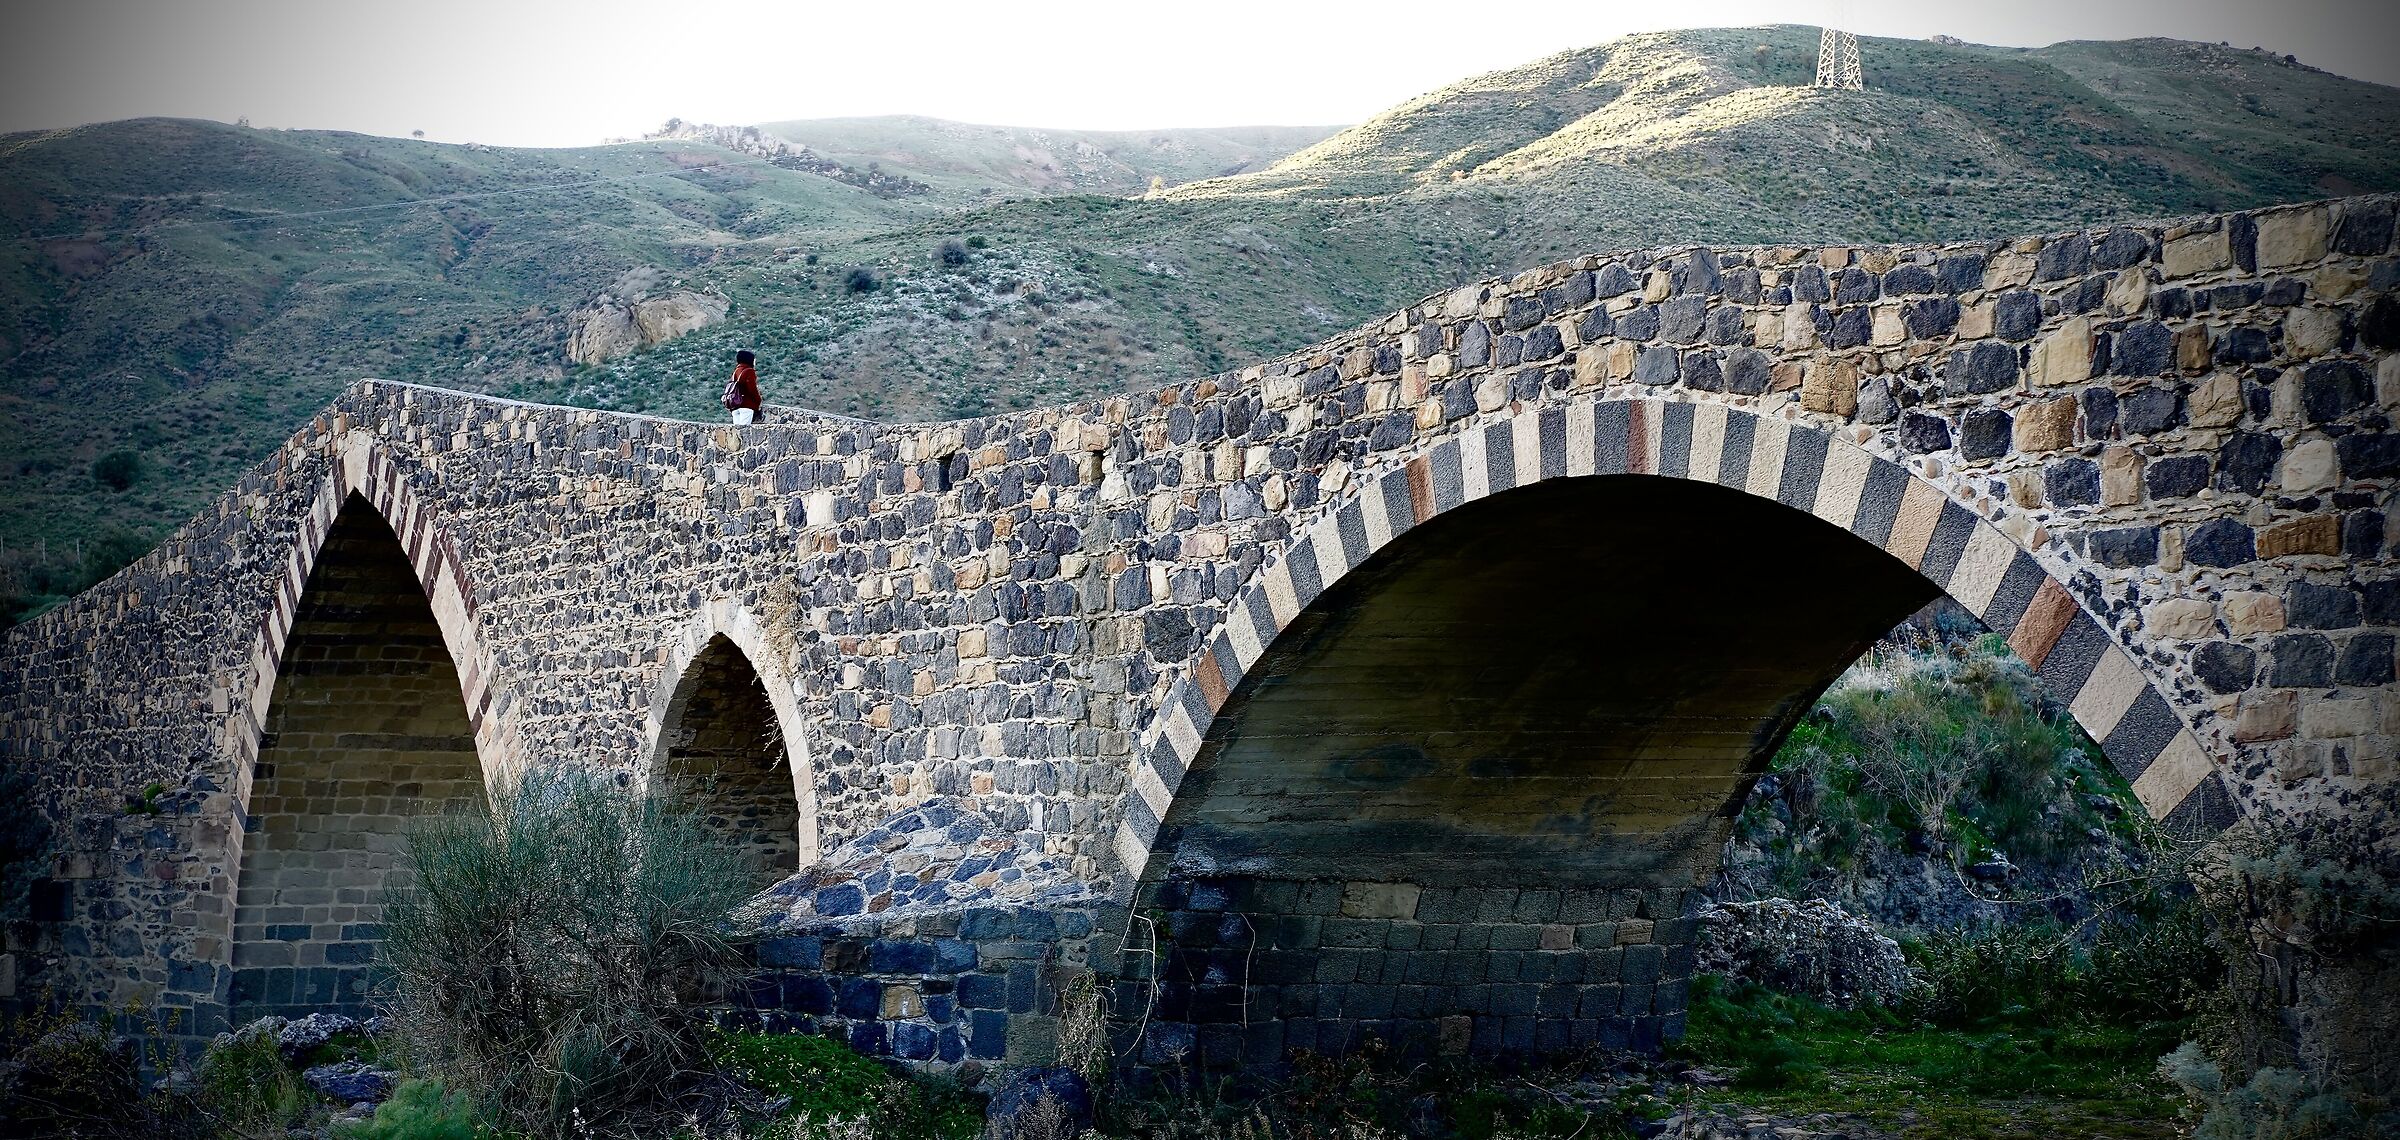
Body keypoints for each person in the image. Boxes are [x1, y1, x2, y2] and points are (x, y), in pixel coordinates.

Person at [722, 350, 763, 424]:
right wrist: (758, 401)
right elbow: (752, 389)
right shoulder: (749, 371)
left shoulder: (736, 371)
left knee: (737, 432)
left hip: (735, 406)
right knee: (744, 431)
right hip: (746, 406)